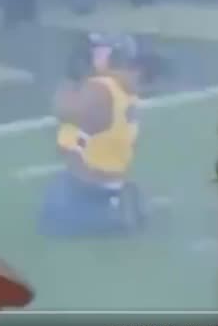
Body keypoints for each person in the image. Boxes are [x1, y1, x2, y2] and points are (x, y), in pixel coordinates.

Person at [38, 33, 162, 238]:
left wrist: (70, 78)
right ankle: (122, 207)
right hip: (110, 180)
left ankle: (110, 218)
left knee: (49, 222)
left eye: (98, 50)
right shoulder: (127, 86)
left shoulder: (102, 88)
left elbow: (62, 109)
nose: (93, 55)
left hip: (85, 187)